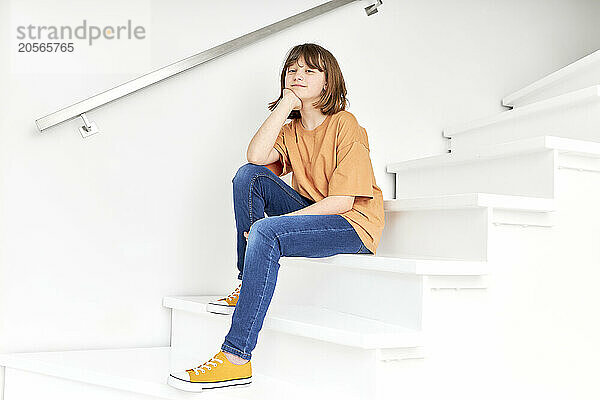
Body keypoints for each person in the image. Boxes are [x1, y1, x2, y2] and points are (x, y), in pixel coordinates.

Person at [167, 43, 385, 392]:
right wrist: (284, 105)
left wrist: (274, 227)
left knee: (268, 232)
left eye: (310, 71)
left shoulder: (346, 125)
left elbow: (343, 200)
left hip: (352, 224)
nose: (298, 75)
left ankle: (236, 357)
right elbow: (255, 157)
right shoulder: (291, 130)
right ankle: (245, 281)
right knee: (247, 176)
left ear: (328, 84)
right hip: (314, 211)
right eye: (292, 70)